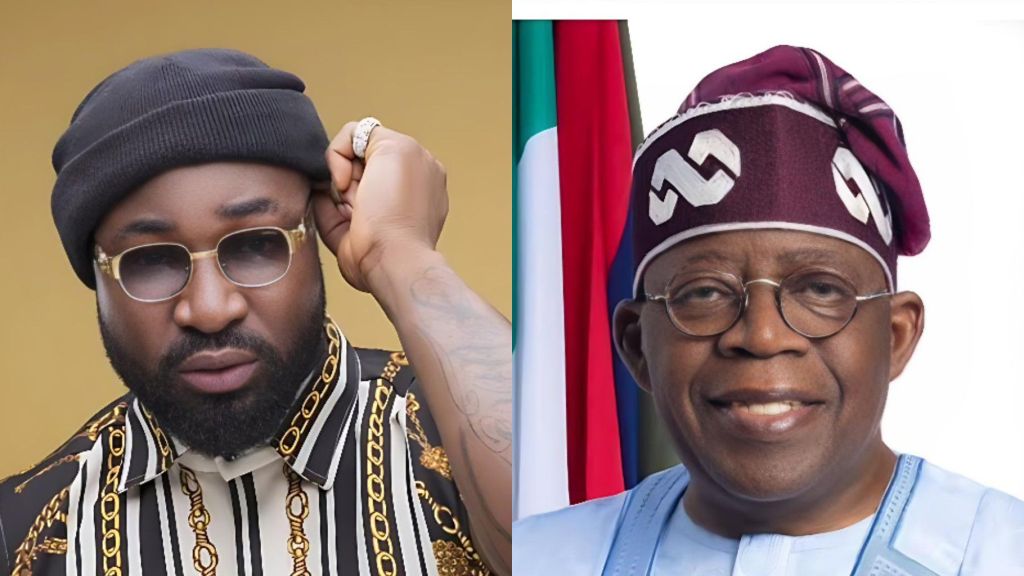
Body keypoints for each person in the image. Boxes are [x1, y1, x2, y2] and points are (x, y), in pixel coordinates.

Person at [513, 45, 1024, 575]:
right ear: (637, 344)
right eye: (706, 293)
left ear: (896, 336)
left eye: (820, 290)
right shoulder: (538, 557)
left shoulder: (1002, 550)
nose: (761, 335)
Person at [0, 48, 511, 576]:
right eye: (150, 261)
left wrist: (401, 255)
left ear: (320, 234)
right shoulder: (26, 532)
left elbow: (582, 545)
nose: (210, 310)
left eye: (255, 245)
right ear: (97, 277)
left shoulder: (447, 439)